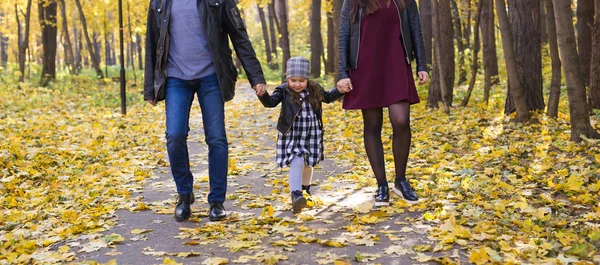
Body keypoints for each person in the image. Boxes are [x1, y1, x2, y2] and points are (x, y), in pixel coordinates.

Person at [143, 0, 267, 222]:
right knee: (174, 135)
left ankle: (216, 201)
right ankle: (184, 194)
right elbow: (152, 43)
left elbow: (239, 35)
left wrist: (256, 77)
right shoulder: (160, 2)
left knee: (216, 138)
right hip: (175, 77)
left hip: (212, 76)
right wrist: (149, 87)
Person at [337, 0, 429, 206]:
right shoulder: (353, 1)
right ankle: (382, 185)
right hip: (365, 65)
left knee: (401, 121)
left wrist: (421, 64)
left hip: (396, 62)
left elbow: (415, 27)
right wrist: (342, 73)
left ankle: (400, 180)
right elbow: (344, 34)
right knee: (372, 125)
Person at [258, 57, 350, 213]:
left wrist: (339, 91)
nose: (297, 84)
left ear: (307, 79)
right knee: (297, 158)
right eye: (293, 80)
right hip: (293, 133)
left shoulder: (315, 89)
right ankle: (296, 193)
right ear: (288, 78)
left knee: (308, 164)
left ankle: (305, 191)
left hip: (311, 133)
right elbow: (270, 102)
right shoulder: (283, 90)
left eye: (301, 80)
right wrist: (262, 94)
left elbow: (327, 98)